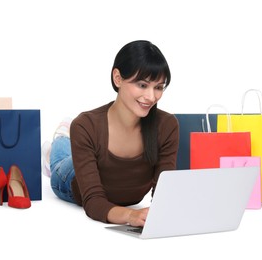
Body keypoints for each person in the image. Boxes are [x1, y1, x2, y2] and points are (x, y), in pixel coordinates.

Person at [42, 40, 179, 227]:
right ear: (118, 78)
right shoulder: (85, 126)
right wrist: (131, 215)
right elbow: (93, 202)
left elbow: (165, 193)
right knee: (59, 160)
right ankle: (57, 142)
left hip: (96, 160)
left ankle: (64, 139)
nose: (151, 97)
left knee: (74, 149)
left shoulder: (167, 125)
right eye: (142, 85)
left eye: (158, 87)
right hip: (69, 179)